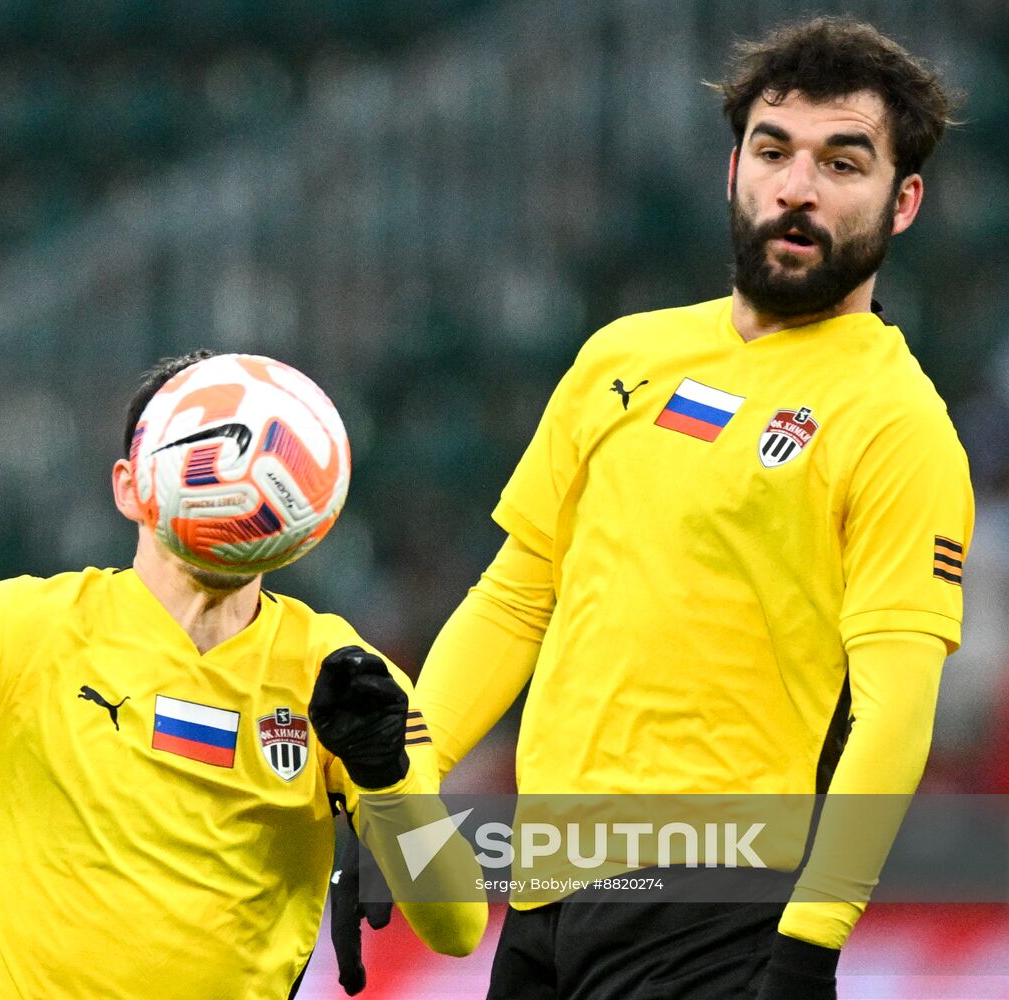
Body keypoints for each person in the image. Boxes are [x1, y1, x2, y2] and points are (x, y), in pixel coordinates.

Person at [412, 16, 972, 1000]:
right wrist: (394, 793)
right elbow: (514, 599)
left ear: (903, 201)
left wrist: (811, 940)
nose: (795, 188)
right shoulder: (621, 355)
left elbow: (894, 709)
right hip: (544, 889)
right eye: (772, 151)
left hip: (720, 904)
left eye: (842, 163)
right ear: (732, 171)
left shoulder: (897, 425)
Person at [0, 350, 486, 999]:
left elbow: (455, 927)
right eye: (199, 439)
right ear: (129, 484)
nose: (229, 461)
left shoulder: (342, 675)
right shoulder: (22, 628)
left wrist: (386, 783)